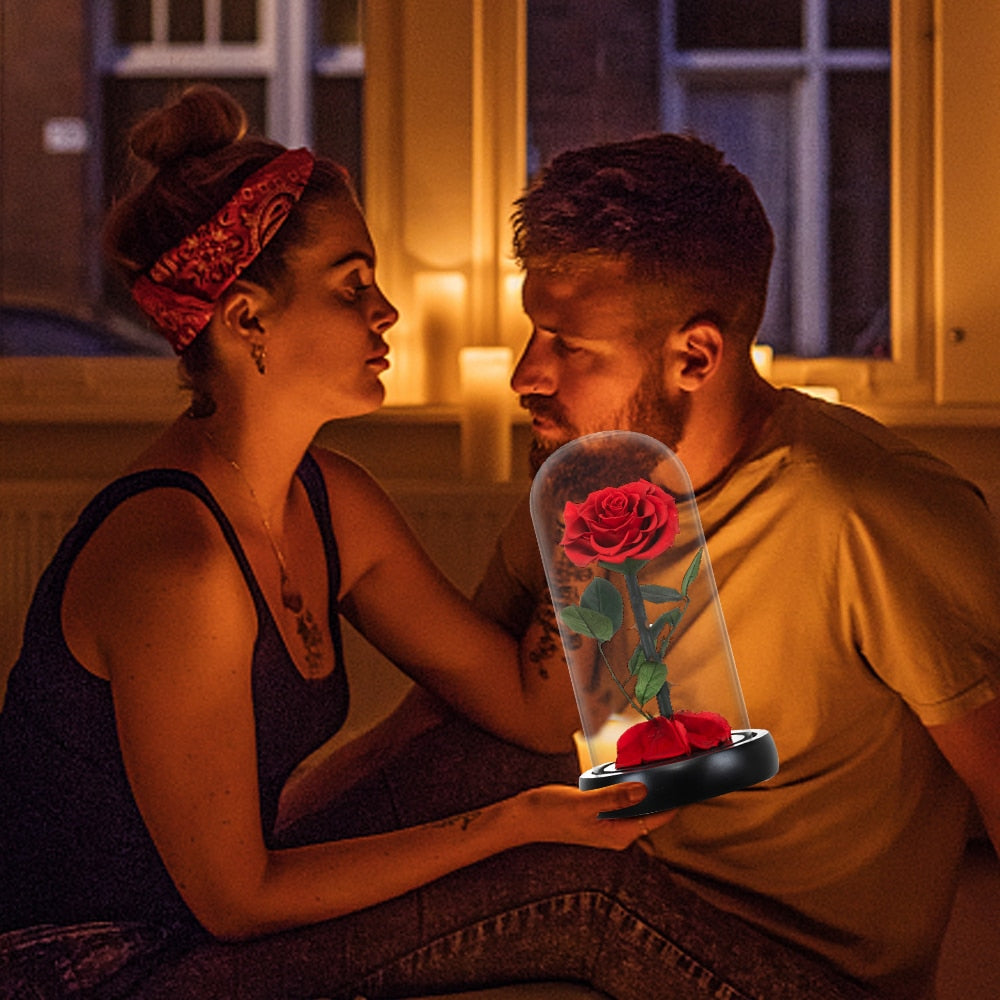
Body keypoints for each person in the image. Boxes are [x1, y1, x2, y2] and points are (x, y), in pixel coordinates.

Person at [0, 87, 876, 1000]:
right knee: (578, 896)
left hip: (200, 915)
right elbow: (237, 901)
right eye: (352, 287)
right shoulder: (177, 560)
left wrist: (605, 493)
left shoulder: (333, 500)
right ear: (246, 318)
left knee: (558, 765)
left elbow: (530, 712)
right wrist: (514, 826)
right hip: (100, 963)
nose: (387, 313)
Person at [459, 133, 1000, 999]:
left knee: (573, 894)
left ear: (695, 357)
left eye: (568, 344)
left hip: (798, 971)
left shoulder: (870, 511)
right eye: (532, 332)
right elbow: (453, 717)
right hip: (629, 896)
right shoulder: (587, 479)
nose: (526, 373)